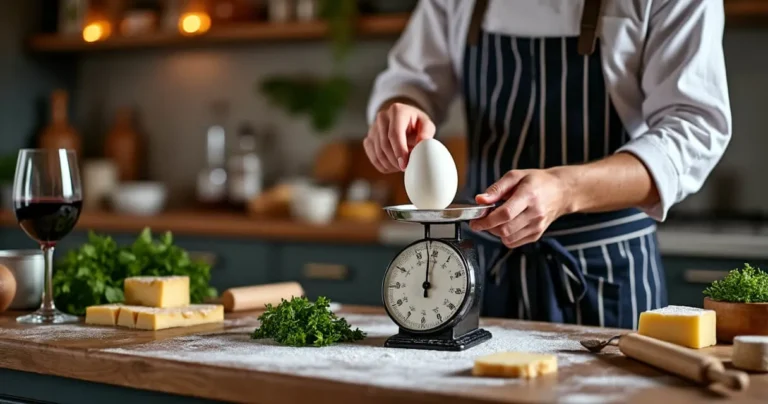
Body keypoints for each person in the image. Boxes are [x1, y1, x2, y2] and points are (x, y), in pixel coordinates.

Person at [364, 0, 731, 330]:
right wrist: (403, 107)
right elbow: (412, 79)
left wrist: (566, 189)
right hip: (483, 271)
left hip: (606, 272)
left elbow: (694, 130)